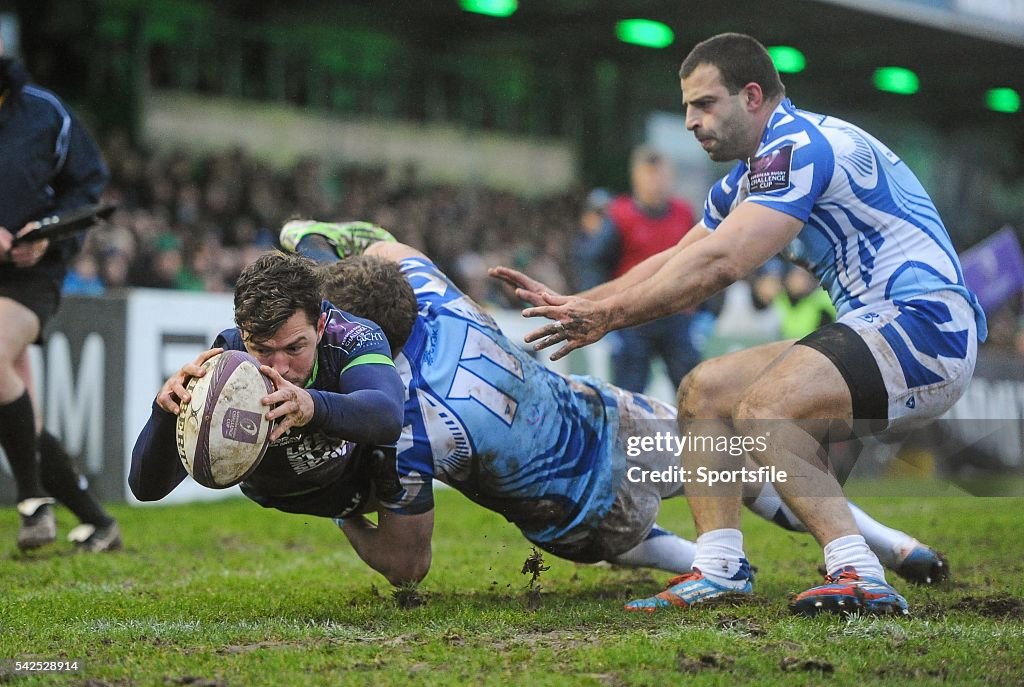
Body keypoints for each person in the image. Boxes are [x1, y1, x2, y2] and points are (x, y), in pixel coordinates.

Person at [491, 33, 985, 615]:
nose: (692, 122)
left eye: (704, 104)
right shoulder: (756, 171)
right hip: (883, 326)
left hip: (925, 328)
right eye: (686, 108)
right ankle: (720, 565)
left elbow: (722, 263)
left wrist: (610, 315)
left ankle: (858, 572)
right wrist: (581, 303)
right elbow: (680, 255)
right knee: (706, 392)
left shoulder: (797, 146)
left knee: (767, 408)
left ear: (752, 96)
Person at [280, 220, 950, 589]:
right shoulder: (428, 287)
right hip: (605, 415)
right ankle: (898, 544)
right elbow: (377, 240)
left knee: (631, 539)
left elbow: (408, 565)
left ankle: (699, 562)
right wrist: (309, 234)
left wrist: (342, 509)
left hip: (577, 509)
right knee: (740, 467)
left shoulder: (399, 420)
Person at [128, 252, 405, 530]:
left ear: (320, 327)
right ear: (243, 333)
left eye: (294, 348)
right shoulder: (226, 361)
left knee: (408, 567)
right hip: (272, 493)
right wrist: (164, 413)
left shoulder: (352, 337)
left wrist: (312, 406)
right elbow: (146, 490)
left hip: (352, 483)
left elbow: (389, 415)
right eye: (262, 349)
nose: (280, 367)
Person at [0, 46, 122, 552]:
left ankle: (33, 504)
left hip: (29, 275)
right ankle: (98, 522)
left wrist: (48, 236)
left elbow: (86, 188)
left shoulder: (46, 113)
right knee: (16, 405)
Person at [574, 147, 703, 393]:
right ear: (636, 177)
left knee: (694, 389)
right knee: (628, 391)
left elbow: (704, 259)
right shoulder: (620, 215)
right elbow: (593, 262)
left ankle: (702, 433)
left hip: (677, 313)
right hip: (631, 315)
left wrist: (705, 310)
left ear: (671, 176)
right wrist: (599, 308)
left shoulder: (684, 214)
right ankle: (628, 433)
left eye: (660, 175)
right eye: (649, 174)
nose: (655, 181)